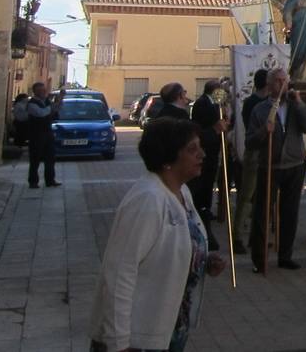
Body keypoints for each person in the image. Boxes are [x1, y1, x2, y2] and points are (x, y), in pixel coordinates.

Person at [89, 117, 227, 352]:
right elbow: (119, 273)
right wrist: (119, 342)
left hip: (168, 330)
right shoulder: (148, 200)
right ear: (167, 160)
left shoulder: (181, 192)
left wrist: (202, 262)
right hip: (135, 338)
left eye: (200, 147)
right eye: (192, 149)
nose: (202, 154)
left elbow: (173, 248)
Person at [246, 68, 306, 272]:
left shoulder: (295, 106)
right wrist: (262, 132)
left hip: (294, 164)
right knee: (263, 213)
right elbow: (250, 142)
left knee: (290, 212)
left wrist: (300, 103)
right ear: (270, 85)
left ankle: (286, 255)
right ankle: (259, 259)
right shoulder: (260, 109)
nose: (282, 84)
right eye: (278, 81)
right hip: (269, 166)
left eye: (285, 80)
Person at [189, 80, 229, 251]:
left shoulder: (213, 103)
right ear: (215, 91)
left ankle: (206, 209)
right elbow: (204, 126)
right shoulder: (202, 104)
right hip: (206, 151)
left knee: (208, 184)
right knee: (203, 186)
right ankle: (203, 213)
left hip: (212, 151)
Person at [232, 68, 269, 254]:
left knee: (261, 198)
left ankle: (257, 235)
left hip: (269, 153)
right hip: (255, 152)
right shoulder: (254, 103)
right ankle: (237, 236)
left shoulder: (256, 101)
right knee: (247, 196)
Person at [25, 81, 63, 188]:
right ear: (36, 91)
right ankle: (33, 182)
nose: (44, 92)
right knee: (35, 159)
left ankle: (50, 180)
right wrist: (52, 106)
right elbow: (41, 113)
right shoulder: (32, 104)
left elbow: (55, 110)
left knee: (50, 158)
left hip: (47, 133)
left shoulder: (46, 101)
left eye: (44, 90)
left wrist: (59, 101)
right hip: (36, 134)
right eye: (41, 90)